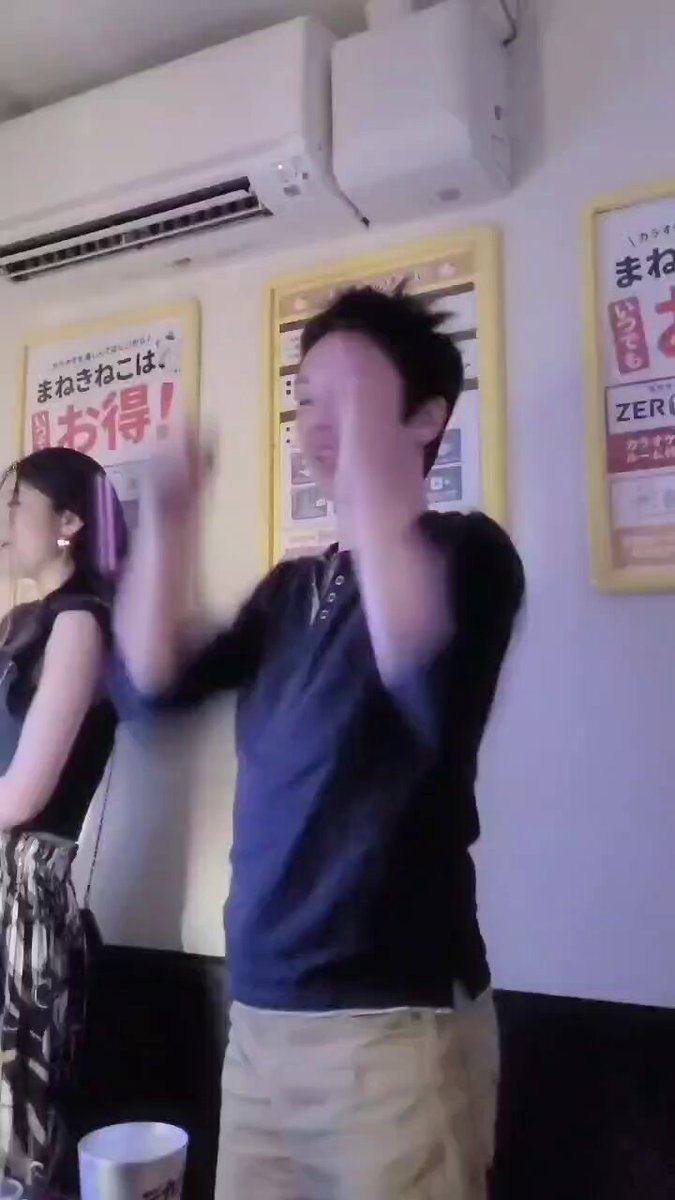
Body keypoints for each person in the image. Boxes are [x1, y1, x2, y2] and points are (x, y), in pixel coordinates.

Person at [113, 287, 525, 1200]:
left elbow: (426, 682)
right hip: (259, 1020)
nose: (319, 421)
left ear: (425, 418)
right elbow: (151, 692)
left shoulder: (468, 553)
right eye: (307, 398)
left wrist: (366, 458)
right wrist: (167, 525)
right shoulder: (290, 590)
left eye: (354, 395)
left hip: (392, 1031)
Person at [0, 448, 126, 1195]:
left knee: (15, 1137)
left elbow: (23, 795)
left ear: (70, 521)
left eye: (15, 505)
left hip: (21, 902)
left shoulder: (79, 623)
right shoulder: (20, 622)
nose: (3, 524)